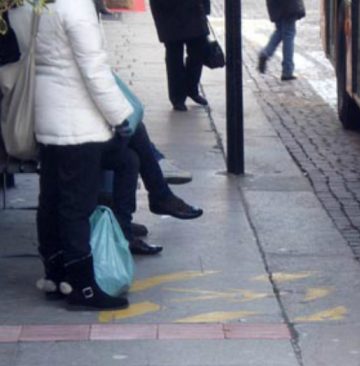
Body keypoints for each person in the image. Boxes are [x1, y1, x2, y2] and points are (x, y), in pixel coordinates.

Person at [9, 0, 133, 310]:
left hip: (46, 115)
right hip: (77, 121)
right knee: (77, 205)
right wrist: (120, 116)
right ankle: (83, 287)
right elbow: (94, 71)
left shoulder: (30, 5)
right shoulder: (75, 7)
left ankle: (55, 275)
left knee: (51, 200)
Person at [102, 122, 203, 256]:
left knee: (130, 159)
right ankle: (160, 195)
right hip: (74, 139)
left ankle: (123, 229)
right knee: (135, 128)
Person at [150, 0, 210, 111]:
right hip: (168, 10)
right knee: (174, 54)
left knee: (198, 50)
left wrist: (205, 8)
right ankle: (177, 97)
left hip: (193, 8)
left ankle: (191, 88)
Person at [257, 0, 306, 81]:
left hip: (276, 5)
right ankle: (287, 71)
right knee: (288, 35)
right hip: (288, 6)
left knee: (280, 31)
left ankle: (266, 53)